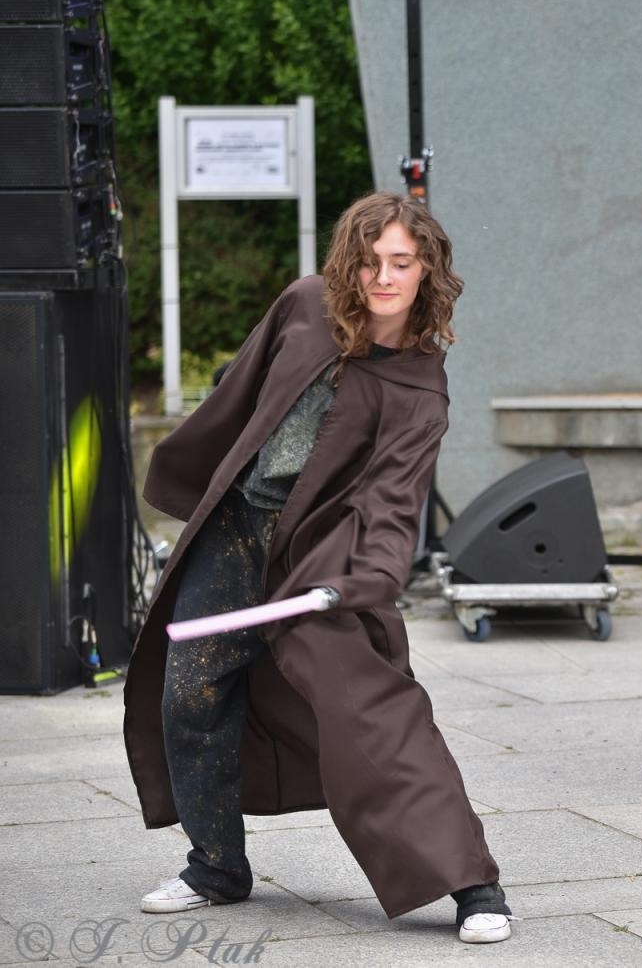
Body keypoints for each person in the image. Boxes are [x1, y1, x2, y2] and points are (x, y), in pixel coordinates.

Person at [122, 192, 515, 944]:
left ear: (427, 268)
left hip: (321, 554)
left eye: (402, 262)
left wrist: (363, 578)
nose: (383, 277)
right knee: (190, 689)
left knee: (371, 711)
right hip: (238, 528)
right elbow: (237, 395)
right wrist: (197, 485)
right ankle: (215, 866)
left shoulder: (419, 386)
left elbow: (394, 501)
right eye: (370, 261)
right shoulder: (305, 306)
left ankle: (476, 886)